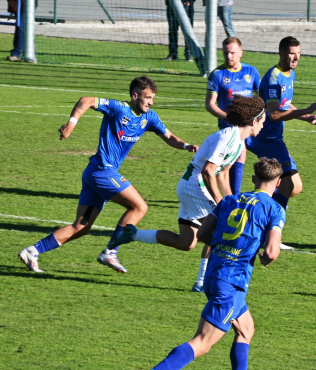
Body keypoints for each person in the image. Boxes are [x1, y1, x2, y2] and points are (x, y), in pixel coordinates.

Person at [128, 157, 285, 370]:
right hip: (231, 282)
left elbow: (201, 235)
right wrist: (263, 255)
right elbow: (271, 251)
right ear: (278, 182)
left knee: (246, 329)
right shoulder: (275, 209)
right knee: (202, 342)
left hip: (214, 274)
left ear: (254, 179)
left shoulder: (228, 201)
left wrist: (227, 244)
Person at [17, 75, 198, 273]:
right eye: (147, 98)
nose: (151, 102)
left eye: (152, 98)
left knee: (81, 226)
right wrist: (71, 123)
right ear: (135, 95)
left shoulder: (149, 117)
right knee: (139, 206)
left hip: (95, 173)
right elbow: (86, 100)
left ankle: (32, 251)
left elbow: (170, 136)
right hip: (102, 171)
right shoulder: (118, 108)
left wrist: (187, 146)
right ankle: (111, 251)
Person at [109, 95, 266, 293]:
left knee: (187, 242)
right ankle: (204, 283)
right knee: (219, 234)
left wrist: (230, 201)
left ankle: (131, 234)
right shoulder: (228, 137)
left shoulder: (239, 143)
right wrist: (219, 202)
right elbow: (209, 171)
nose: (262, 127)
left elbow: (223, 173)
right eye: (262, 122)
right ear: (254, 121)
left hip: (190, 186)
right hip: (195, 186)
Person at [247, 36, 316, 210]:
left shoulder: (290, 74)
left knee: (293, 187)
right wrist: (306, 110)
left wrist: (308, 118)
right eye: (292, 53)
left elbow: (284, 104)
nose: (296, 58)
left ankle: (260, 207)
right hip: (267, 137)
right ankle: (270, 221)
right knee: (289, 185)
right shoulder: (273, 78)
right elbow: (274, 114)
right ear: (281, 53)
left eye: (299, 53)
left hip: (274, 138)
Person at [205, 37, 261, 195]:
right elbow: (209, 104)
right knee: (240, 151)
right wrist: (228, 118)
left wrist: (260, 117)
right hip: (229, 125)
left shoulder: (251, 72)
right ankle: (234, 195)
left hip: (250, 124)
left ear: (241, 53)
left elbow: (261, 97)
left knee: (270, 154)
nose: (229, 56)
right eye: (225, 53)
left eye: (232, 53)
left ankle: (274, 195)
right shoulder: (217, 74)